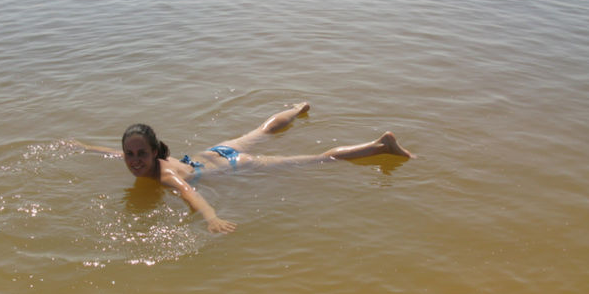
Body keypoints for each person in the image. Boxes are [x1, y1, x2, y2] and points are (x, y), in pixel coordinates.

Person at [70, 102, 414, 234]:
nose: (133, 161)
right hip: (216, 152)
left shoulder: (165, 174)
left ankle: (380, 146)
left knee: (316, 161)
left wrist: (210, 218)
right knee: (261, 131)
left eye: (139, 154)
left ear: (153, 151)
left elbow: (190, 194)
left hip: (235, 164)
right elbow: (109, 152)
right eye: (129, 154)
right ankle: (297, 108)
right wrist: (84, 147)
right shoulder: (148, 160)